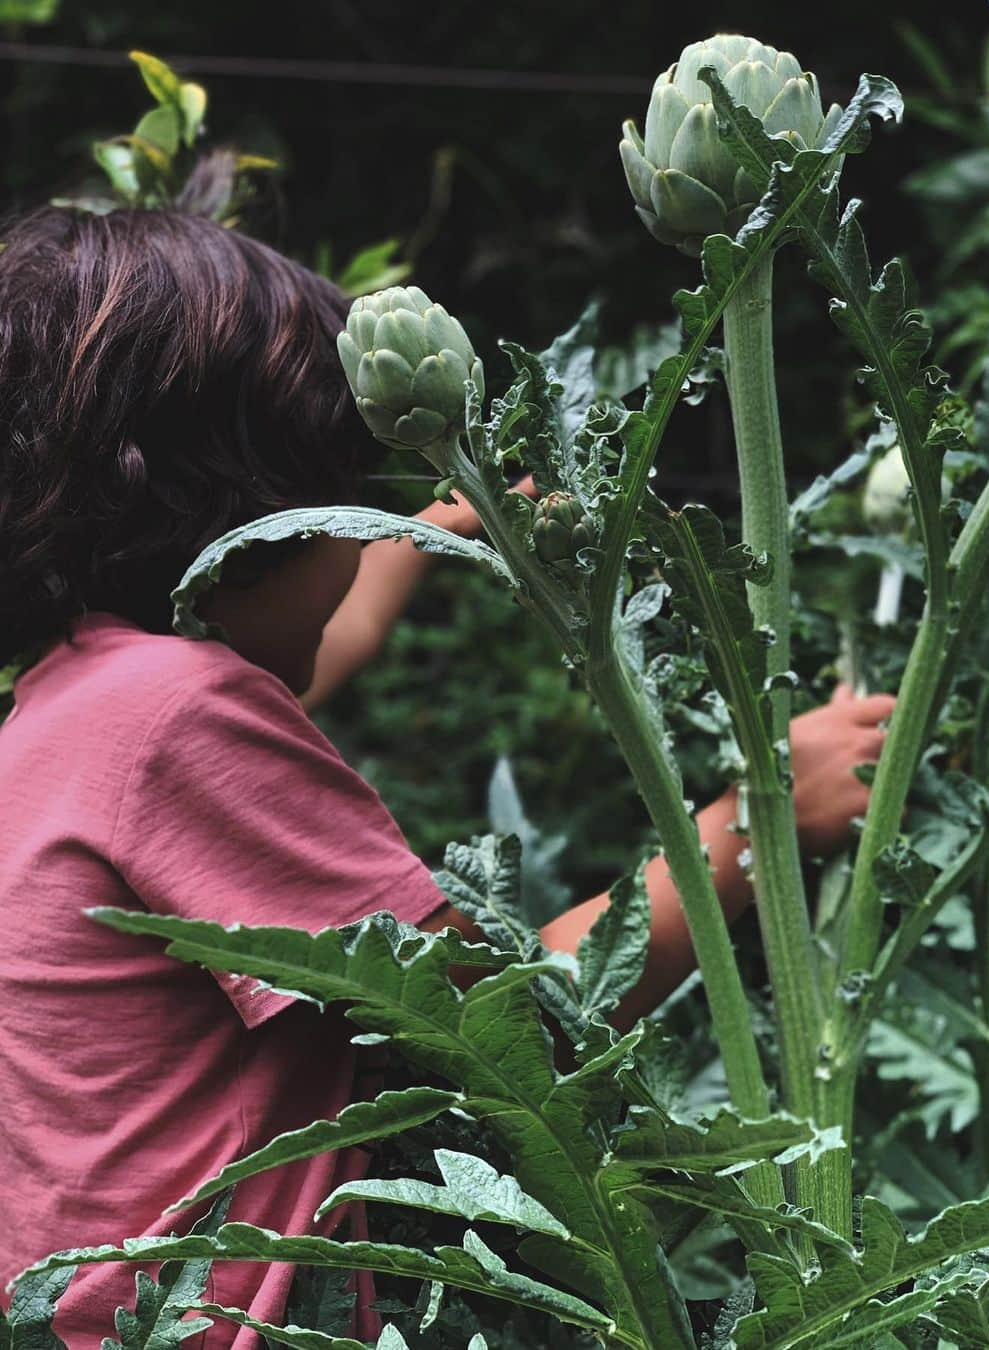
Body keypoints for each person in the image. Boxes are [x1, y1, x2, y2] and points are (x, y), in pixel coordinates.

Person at [0, 204, 895, 1349]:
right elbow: (491, 1031)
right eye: (346, 492)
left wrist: (447, 515)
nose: (367, 525)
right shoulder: (182, 718)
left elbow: (319, 641)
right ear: (258, 518)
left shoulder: (73, 701)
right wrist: (757, 819)